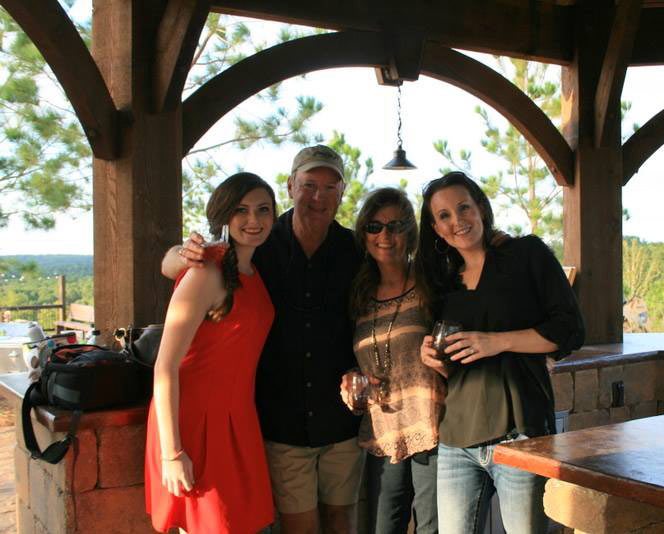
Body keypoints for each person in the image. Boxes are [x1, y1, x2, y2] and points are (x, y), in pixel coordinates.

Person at [161, 145, 363, 534]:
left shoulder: (355, 251)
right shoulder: (260, 242)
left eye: (329, 186)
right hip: (278, 419)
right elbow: (184, 263)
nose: (318, 196)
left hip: (340, 419)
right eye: (308, 184)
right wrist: (177, 255)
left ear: (341, 192)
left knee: (343, 523)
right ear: (290, 187)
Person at [416, 172, 585, 534]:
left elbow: (570, 330)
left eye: (464, 207)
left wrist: (498, 340)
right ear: (435, 228)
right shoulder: (445, 283)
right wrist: (433, 359)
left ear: (481, 207)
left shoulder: (526, 255)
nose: (457, 220)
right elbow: (460, 367)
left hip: (521, 435)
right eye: (444, 215)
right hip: (457, 439)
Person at [145, 172, 278, 534]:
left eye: (263, 209)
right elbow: (165, 366)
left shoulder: (252, 270)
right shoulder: (206, 271)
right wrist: (171, 453)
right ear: (222, 215)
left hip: (238, 419)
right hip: (195, 422)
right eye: (242, 210)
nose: (254, 220)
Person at [339, 188, 444, 534]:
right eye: (374, 226)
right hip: (383, 430)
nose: (385, 235)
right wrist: (353, 383)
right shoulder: (359, 294)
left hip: (434, 427)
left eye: (395, 226)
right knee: (385, 527)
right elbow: (358, 360)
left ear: (410, 233)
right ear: (363, 233)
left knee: (432, 527)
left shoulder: (431, 283)